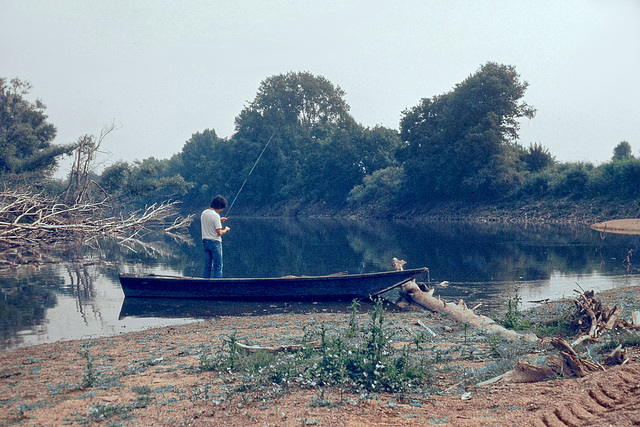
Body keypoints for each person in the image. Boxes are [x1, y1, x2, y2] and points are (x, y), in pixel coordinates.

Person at [201, 195, 230, 278]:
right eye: (222, 208)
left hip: (205, 243)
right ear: (219, 206)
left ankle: (205, 284)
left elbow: (209, 223)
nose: (222, 210)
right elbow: (219, 233)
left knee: (207, 266)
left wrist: (219, 220)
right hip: (215, 243)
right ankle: (217, 285)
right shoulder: (216, 216)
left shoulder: (204, 213)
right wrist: (226, 229)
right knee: (217, 266)